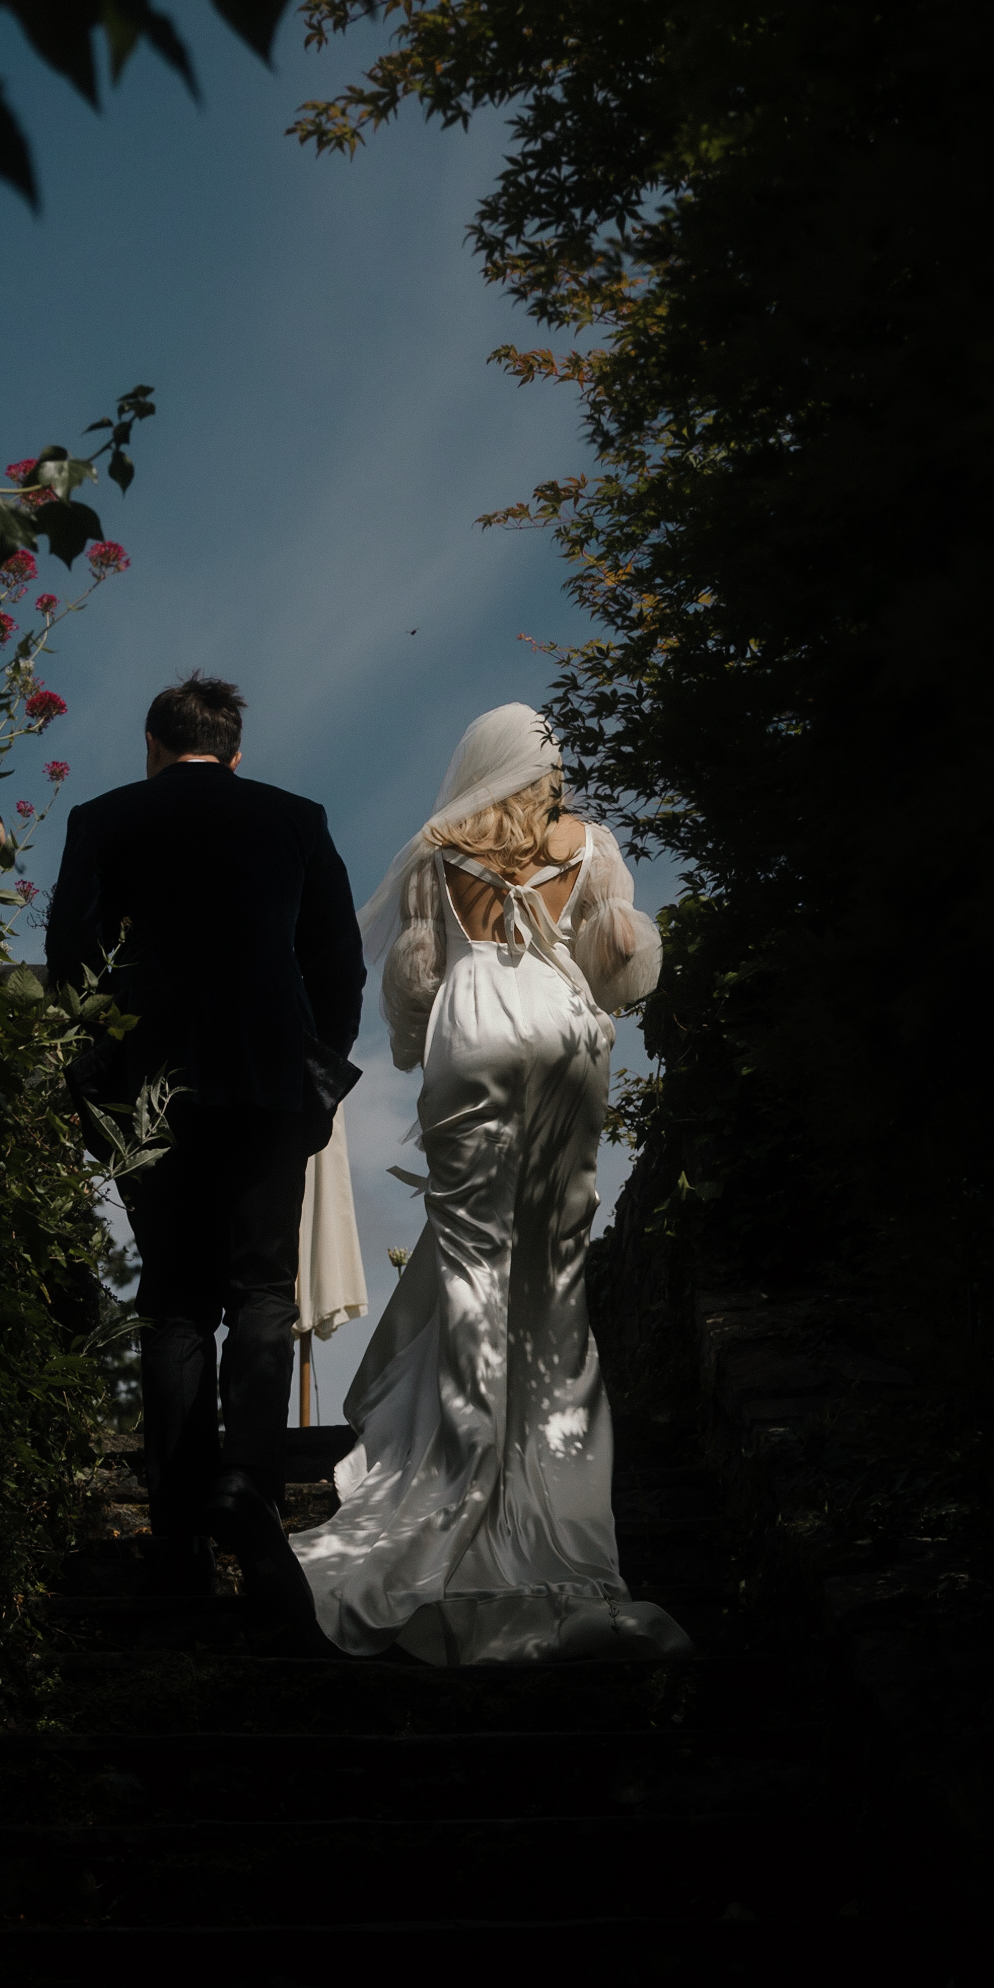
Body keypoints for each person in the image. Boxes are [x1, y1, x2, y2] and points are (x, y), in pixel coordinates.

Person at [290, 703, 693, 1667]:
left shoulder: (437, 854)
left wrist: (428, 1032)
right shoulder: (588, 845)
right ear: (542, 767)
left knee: (474, 1276)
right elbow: (616, 967)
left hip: (471, 1037)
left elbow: (418, 980)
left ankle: (459, 1484)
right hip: (560, 1042)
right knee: (553, 1280)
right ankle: (555, 1510)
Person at [44, 674, 364, 1620]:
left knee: (174, 1301)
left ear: (152, 742)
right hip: (268, 1082)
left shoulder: (103, 820)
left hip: (150, 1086)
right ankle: (250, 1487)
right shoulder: (295, 819)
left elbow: (72, 957)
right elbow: (336, 958)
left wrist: (92, 1073)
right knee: (263, 1290)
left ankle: (178, 1533)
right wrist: (319, 1062)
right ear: (233, 748)